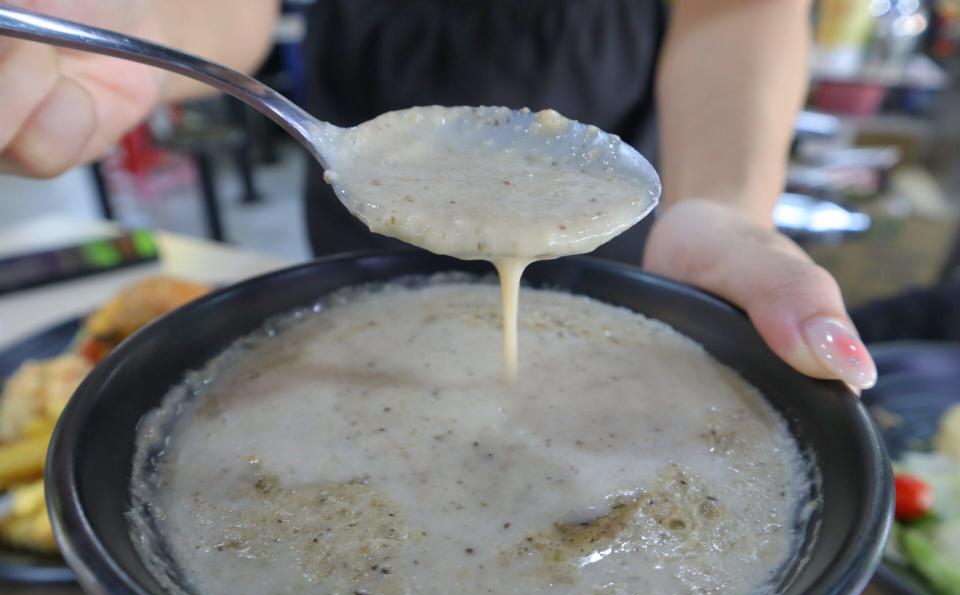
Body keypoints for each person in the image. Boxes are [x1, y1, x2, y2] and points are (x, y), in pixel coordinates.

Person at [0, 0, 877, 389]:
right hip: (368, 151)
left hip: (611, 201)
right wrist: (146, 23)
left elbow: (736, 9)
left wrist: (720, 205)